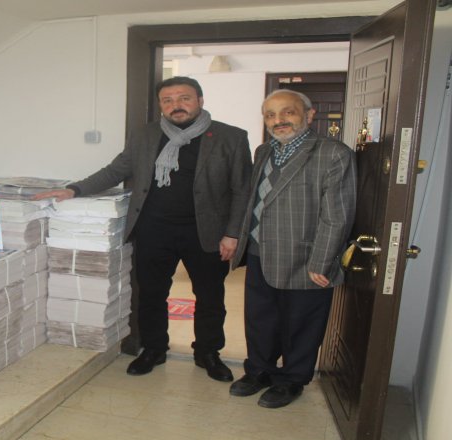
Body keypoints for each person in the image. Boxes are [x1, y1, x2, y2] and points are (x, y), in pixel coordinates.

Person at [34, 76, 252, 382]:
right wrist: (74, 189)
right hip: (154, 229)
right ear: (161, 105)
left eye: (184, 98)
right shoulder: (145, 134)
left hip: (206, 233)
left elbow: (242, 189)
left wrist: (233, 233)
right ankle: (153, 348)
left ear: (200, 101)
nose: (176, 105)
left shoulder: (231, 137)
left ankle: (208, 353)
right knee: (151, 294)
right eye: (168, 100)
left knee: (210, 296)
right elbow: (116, 170)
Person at [228, 89, 356, 409]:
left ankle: (292, 380)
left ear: (309, 115)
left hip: (305, 258)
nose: (278, 120)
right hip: (259, 252)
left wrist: (322, 262)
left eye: (288, 112)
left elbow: (337, 216)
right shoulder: (264, 151)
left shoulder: (333, 153)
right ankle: (259, 371)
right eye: (270, 115)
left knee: (301, 325)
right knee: (260, 320)